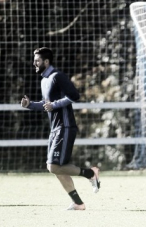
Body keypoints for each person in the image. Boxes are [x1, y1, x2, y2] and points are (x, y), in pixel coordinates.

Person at [20, 47, 100, 210]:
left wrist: (54, 104)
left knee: (54, 166)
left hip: (65, 127)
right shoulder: (44, 80)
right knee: (55, 167)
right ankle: (78, 203)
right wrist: (30, 105)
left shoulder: (57, 76)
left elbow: (74, 96)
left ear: (46, 61)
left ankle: (90, 174)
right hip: (55, 129)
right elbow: (45, 105)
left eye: (37, 60)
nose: (34, 63)